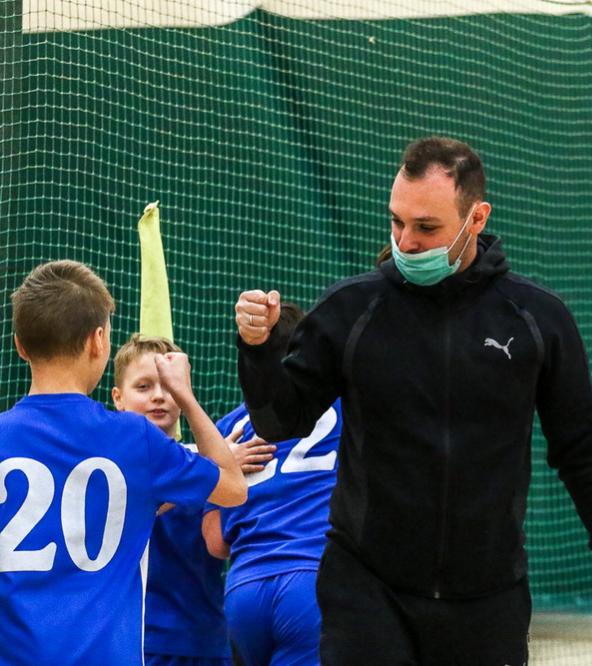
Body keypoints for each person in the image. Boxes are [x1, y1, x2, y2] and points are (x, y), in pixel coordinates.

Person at [233, 136, 592, 664]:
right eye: (397, 222)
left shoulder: (537, 319)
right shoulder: (351, 309)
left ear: (477, 218)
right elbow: (279, 420)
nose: (406, 242)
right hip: (366, 587)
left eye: (426, 227)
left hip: (489, 599)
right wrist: (259, 350)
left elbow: (581, 450)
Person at [0, 260, 246, 664]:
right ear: (98, 341)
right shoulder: (135, 438)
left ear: (20, 346)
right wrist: (184, 396)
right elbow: (234, 487)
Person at [204, 303, 342, 666]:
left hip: (244, 590)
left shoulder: (227, 429)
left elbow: (215, 542)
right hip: (313, 580)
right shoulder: (346, 408)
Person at [111, 334, 242, 666]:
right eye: (143, 387)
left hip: (207, 639)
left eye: (169, 387)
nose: (159, 396)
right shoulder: (109, 466)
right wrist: (212, 474)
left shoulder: (214, 461)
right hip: (139, 639)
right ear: (118, 398)